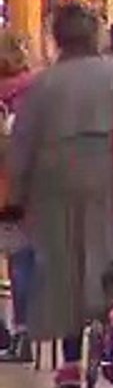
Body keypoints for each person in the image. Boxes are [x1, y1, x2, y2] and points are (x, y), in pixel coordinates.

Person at [7, 2, 113, 388]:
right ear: (96, 34)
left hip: (55, 181)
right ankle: (112, 347)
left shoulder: (43, 85)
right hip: (112, 175)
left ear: (57, 39)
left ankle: (71, 359)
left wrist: (16, 193)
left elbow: (23, 143)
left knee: (64, 266)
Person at [0, 28, 36, 363]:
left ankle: (8, 334)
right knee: (24, 259)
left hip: (5, 185)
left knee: (18, 260)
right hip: (32, 185)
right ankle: (27, 330)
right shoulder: (38, 89)